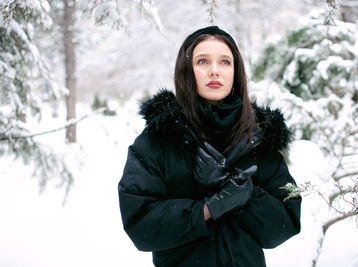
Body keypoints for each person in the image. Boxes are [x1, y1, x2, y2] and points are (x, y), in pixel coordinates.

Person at [118, 26, 301, 267]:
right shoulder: (158, 139)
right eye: (202, 61)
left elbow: (285, 224)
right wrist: (209, 208)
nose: (214, 71)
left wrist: (244, 194)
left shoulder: (258, 137)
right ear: (186, 70)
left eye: (225, 62)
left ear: (235, 71)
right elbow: (140, 224)